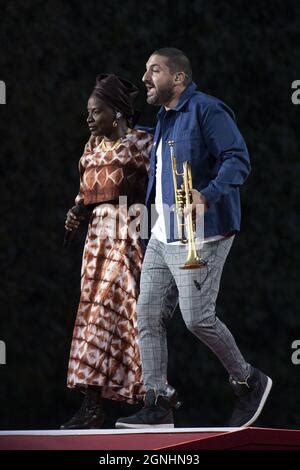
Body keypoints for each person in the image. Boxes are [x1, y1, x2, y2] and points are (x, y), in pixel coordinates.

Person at [115, 48, 272, 429]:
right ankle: (157, 401)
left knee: (197, 319)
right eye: (145, 70)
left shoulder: (208, 110)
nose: (145, 77)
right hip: (162, 233)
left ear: (179, 78)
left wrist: (207, 193)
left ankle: (248, 381)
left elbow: (238, 159)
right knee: (147, 314)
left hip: (204, 232)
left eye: (154, 70)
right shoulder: (164, 119)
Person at [60, 74, 152, 429]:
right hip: (96, 241)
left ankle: (151, 399)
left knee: (121, 317)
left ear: (116, 113)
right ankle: (93, 405)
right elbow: (85, 192)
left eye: (95, 112)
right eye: (88, 112)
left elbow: (158, 188)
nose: (89, 119)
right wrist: (76, 211)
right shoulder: (92, 145)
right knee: (92, 319)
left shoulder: (143, 143)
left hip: (129, 234)